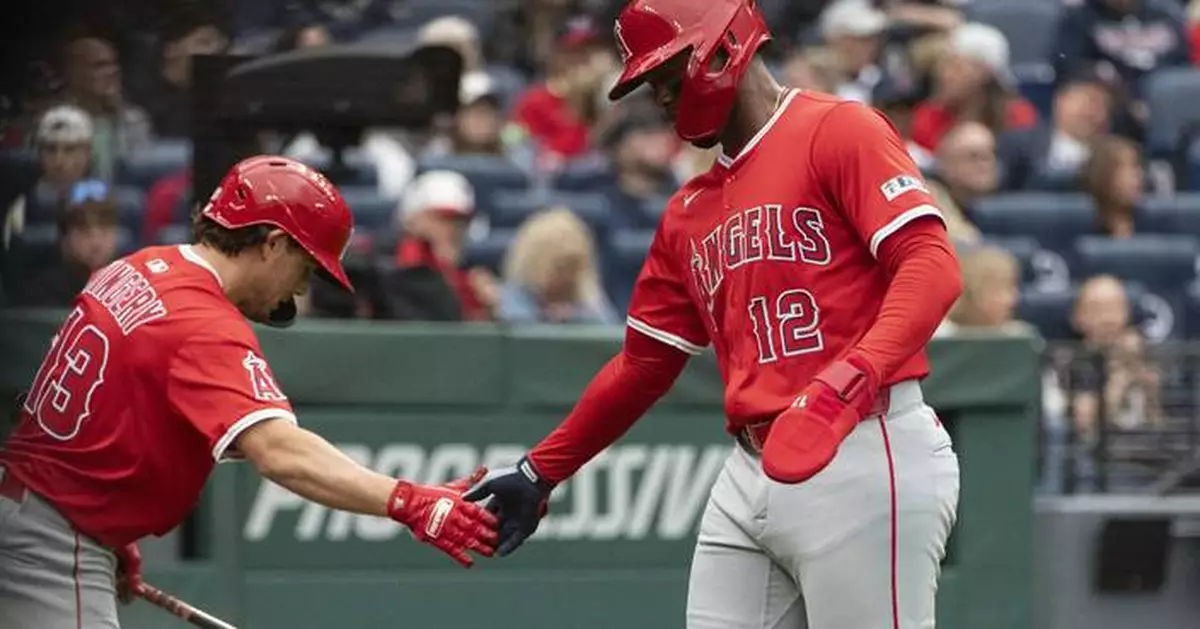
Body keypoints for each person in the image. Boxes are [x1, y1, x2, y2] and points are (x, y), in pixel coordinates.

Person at [466, 2, 963, 629]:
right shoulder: (688, 211)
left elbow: (932, 266)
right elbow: (643, 366)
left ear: (726, 46)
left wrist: (849, 380)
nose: (661, 97)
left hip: (863, 441)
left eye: (669, 74)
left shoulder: (837, 129)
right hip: (750, 468)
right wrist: (541, 471)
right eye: (651, 83)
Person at [0, 156, 498, 629]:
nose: (300, 289)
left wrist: (109, 532)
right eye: (306, 267)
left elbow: (101, 415)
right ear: (274, 244)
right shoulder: (204, 324)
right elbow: (281, 452)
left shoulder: (137, 266)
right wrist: (408, 501)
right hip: (51, 540)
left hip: (25, 506)